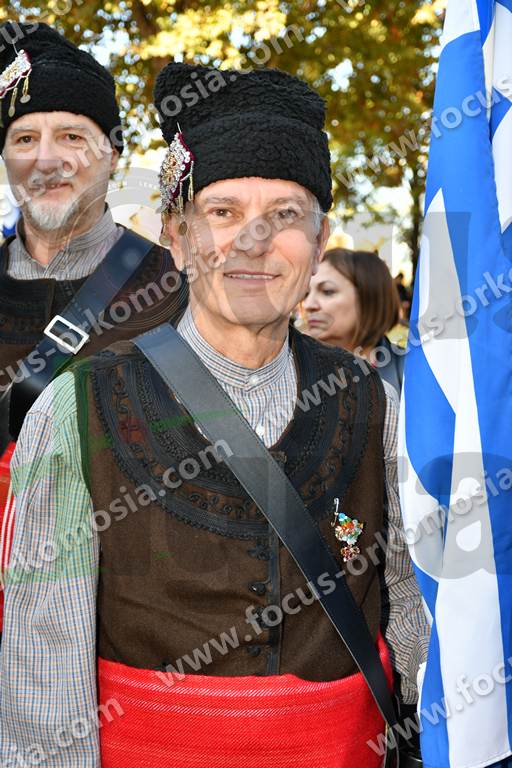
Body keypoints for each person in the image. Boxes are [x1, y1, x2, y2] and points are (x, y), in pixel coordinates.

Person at [0, 61, 428, 767]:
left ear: (321, 240)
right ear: (178, 236)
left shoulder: (375, 399)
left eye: (285, 216)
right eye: (223, 213)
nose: (253, 243)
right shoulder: (76, 407)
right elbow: (44, 670)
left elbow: (411, 603)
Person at [0, 22, 187, 631]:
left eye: (72, 137)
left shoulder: (178, 289)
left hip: (128, 625)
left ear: (114, 154)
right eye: (24, 137)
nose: (45, 159)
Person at [303, 247, 406, 398]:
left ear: (369, 298)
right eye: (306, 294)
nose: (308, 305)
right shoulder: (290, 371)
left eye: (327, 291)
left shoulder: (413, 373)